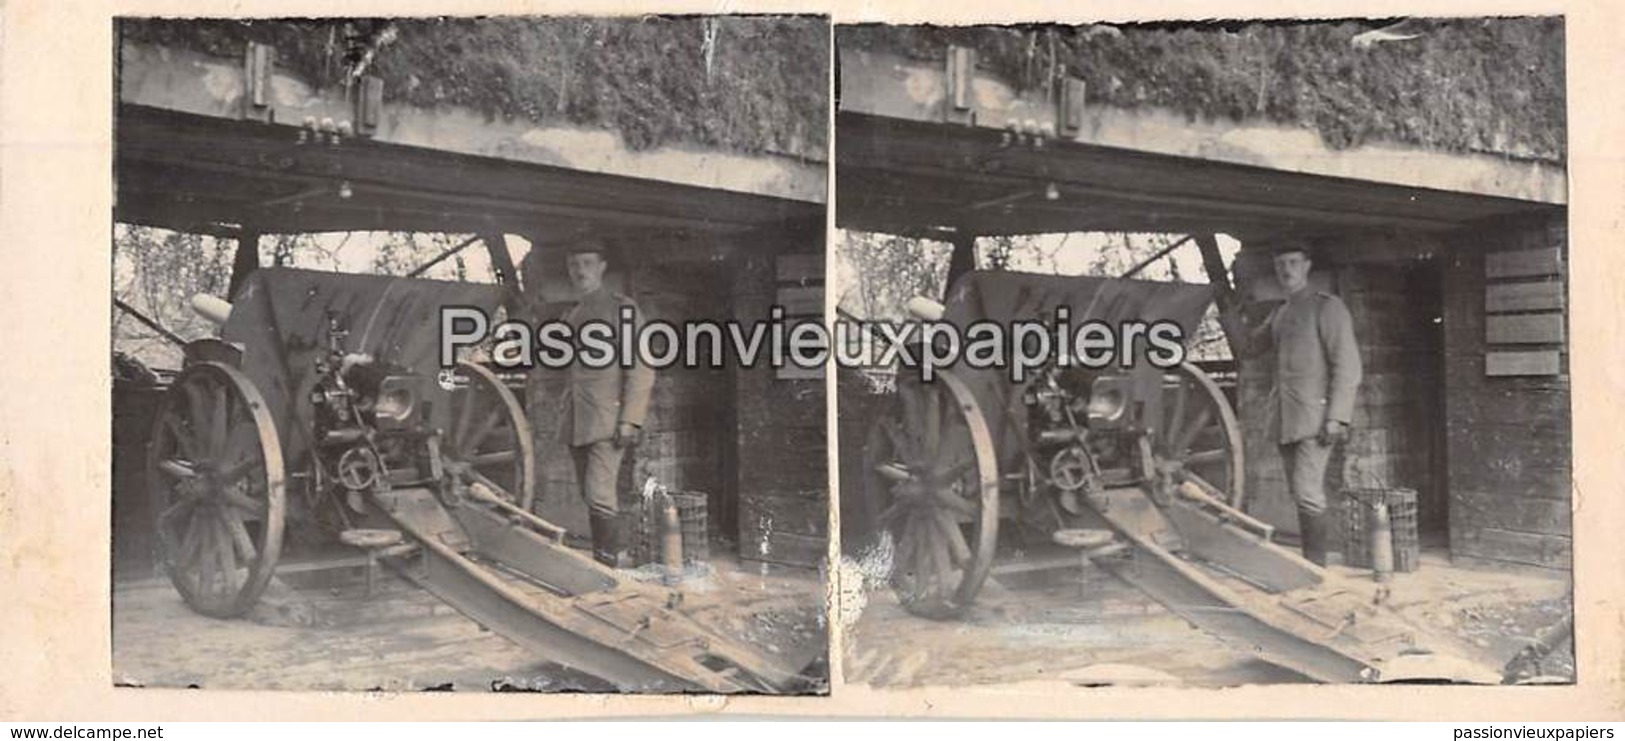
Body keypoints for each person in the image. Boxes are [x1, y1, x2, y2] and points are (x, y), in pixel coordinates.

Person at [1223, 243, 1362, 565]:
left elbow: (1348, 366)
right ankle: (1311, 565)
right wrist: (1230, 312)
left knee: (1308, 493)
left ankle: (1316, 570)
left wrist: (1337, 417)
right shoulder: (1282, 313)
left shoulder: (1327, 307)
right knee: (1302, 495)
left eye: (1294, 262)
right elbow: (1248, 349)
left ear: (1307, 266)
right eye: (1281, 263)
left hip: (1317, 418)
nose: (1286, 270)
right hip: (1287, 419)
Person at [558, 240, 655, 568]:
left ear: (602, 267)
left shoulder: (621, 309)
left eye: (587, 263)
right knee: (591, 494)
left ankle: (606, 568)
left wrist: (631, 419)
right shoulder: (573, 313)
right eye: (574, 264)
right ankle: (609, 560)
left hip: (607, 418)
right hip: (576, 419)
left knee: (599, 493)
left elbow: (641, 367)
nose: (580, 271)